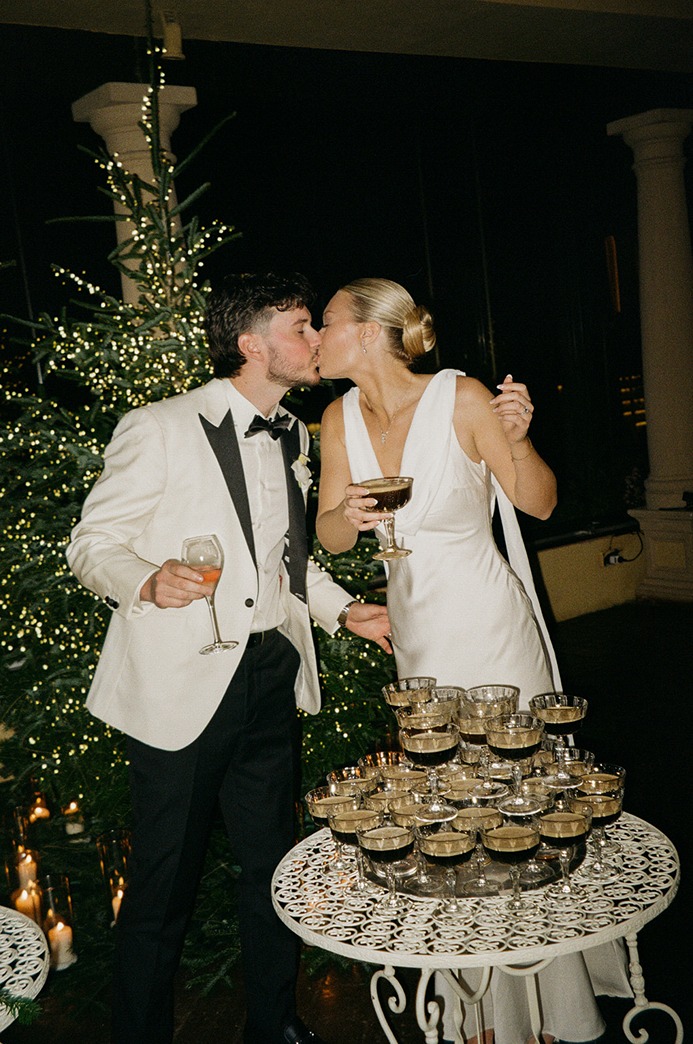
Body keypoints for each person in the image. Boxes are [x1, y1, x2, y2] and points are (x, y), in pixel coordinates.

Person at [66, 272, 391, 1044]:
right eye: (301, 327)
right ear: (252, 344)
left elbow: (288, 559)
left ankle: (272, 1022)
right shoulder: (161, 425)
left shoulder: (296, 435)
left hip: (270, 673)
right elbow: (90, 544)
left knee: (271, 871)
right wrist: (144, 578)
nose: (316, 340)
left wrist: (346, 611)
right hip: (180, 685)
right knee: (161, 887)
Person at [315, 278, 631, 1044]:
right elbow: (327, 536)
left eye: (324, 323)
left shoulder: (460, 398)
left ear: (367, 333)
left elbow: (540, 504)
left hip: (490, 630)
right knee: (443, 818)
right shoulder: (335, 417)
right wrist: (346, 516)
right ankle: (472, 1010)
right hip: (417, 641)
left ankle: (547, 1013)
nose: (314, 338)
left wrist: (517, 439)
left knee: (515, 804)